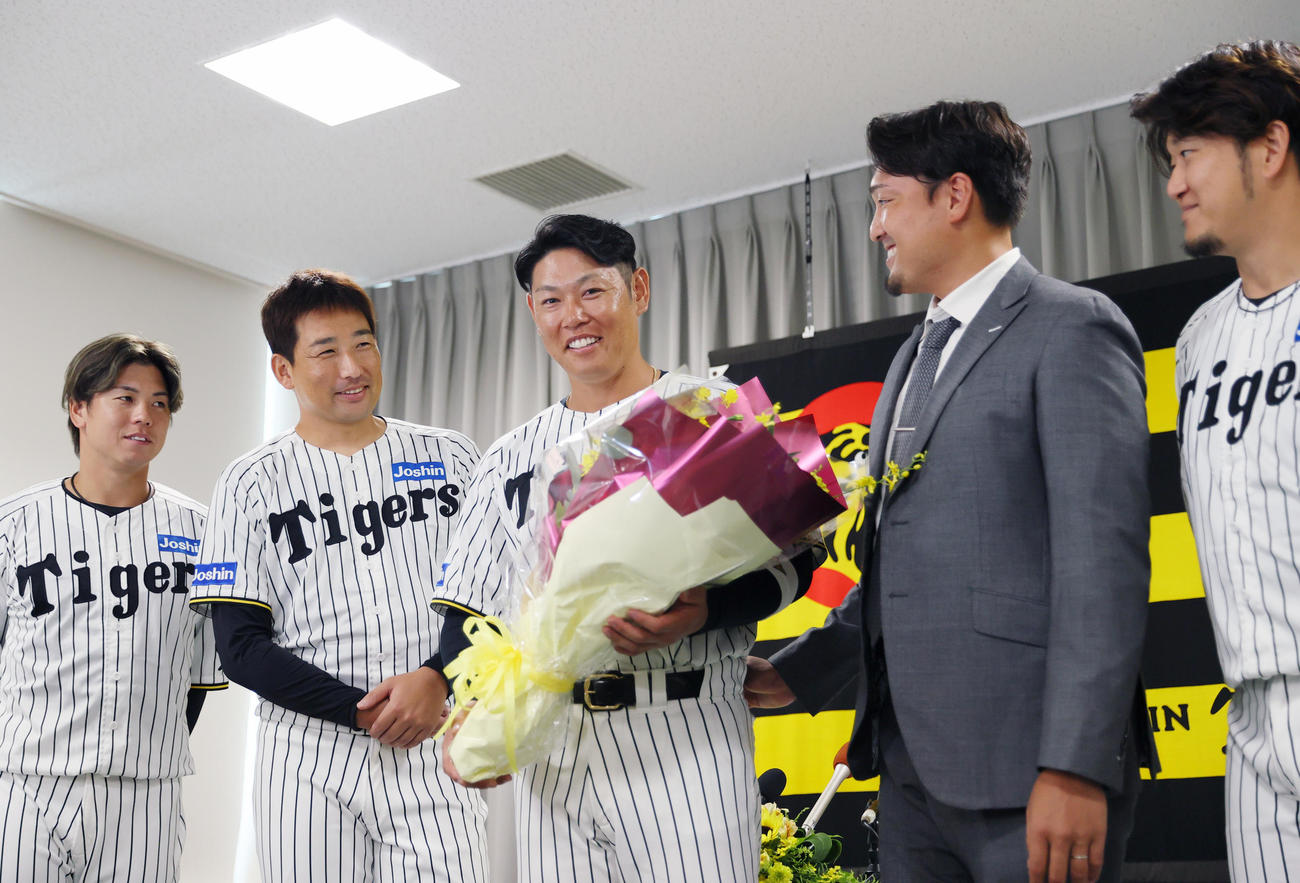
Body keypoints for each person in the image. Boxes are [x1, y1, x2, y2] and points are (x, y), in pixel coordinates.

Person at [743, 100, 1155, 882]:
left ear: (955, 195)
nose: (875, 229)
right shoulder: (911, 358)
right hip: (907, 778)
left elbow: (1103, 567)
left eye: (885, 200)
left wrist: (1075, 765)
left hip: (1029, 774)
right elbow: (899, 572)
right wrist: (798, 671)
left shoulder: (1072, 327)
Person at [432, 214, 820, 882]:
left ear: (637, 288)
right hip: (551, 748)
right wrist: (473, 713)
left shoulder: (707, 408)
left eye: (591, 291)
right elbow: (465, 611)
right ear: (533, 311)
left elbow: (797, 563)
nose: (572, 315)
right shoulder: (507, 456)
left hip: (684, 731)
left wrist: (703, 613)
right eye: (551, 300)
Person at [188, 270, 488, 882]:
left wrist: (436, 678)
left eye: (363, 343)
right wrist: (362, 711)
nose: (352, 367)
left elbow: (490, 596)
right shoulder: (249, 482)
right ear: (284, 371)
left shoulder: (452, 456)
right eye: (326, 351)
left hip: (435, 740)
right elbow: (240, 647)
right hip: (306, 757)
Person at [1131, 40, 1300, 880]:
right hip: (1249, 714)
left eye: (1189, 154)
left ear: (1269, 149)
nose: (1176, 184)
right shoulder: (1199, 339)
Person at [0, 333, 225, 882]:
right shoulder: (12, 525)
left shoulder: (206, 534)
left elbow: (199, 677)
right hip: (27, 785)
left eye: (159, 403)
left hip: (146, 795)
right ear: (78, 408)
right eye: (124, 397)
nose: (143, 415)